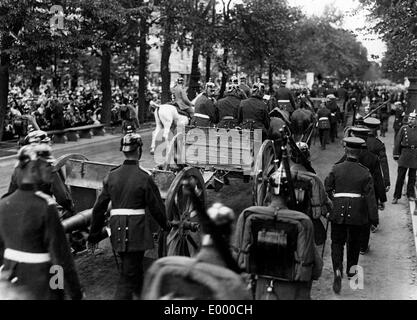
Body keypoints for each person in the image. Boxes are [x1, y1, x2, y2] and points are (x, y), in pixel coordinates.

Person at [87, 129, 170, 300]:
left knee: (133, 269)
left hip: (117, 229)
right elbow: (156, 207)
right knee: (128, 276)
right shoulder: (144, 177)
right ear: (139, 150)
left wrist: (94, 235)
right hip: (136, 230)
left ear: (124, 151)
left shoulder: (111, 176)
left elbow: (99, 208)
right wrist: (166, 225)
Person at [0, 143, 83, 300]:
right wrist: (67, 292)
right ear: (32, 169)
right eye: (46, 165)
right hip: (42, 287)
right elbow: (60, 259)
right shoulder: (45, 206)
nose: (51, 169)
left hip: (12, 287)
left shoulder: (3, 205)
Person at [234, 160, 323, 300]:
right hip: (293, 291)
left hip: (259, 288)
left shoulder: (249, 215)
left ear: (268, 193)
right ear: (290, 195)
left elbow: (237, 256)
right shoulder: (303, 221)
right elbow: (316, 270)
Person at [325, 137, 378, 294]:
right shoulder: (365, 172)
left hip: (338, 211)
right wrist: (374, 218)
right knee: (354, 243)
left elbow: (327, 187)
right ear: (359, 152)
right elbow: (370, 198)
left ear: (346, 151)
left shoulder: (336, 168)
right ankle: (351, 271)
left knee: (337, 242)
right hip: (357, 213)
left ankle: (337, 270)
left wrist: (334, 199)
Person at [363, 118, 390, 210]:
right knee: (373, 199)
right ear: (376, 129)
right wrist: (386, 181)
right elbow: (384, 164)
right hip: (373, 178)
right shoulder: (379, 144)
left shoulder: (358, 142)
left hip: (356, 175)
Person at [393, 110, 417, 204]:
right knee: (400, 177)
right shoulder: (404, 128)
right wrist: (396, 154)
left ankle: (410, 194)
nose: (410, 120)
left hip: (415, 155)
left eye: (413, 119)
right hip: (404, 154)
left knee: (412, 177)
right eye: (410, 118)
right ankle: (396, 196)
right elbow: (397, 142)